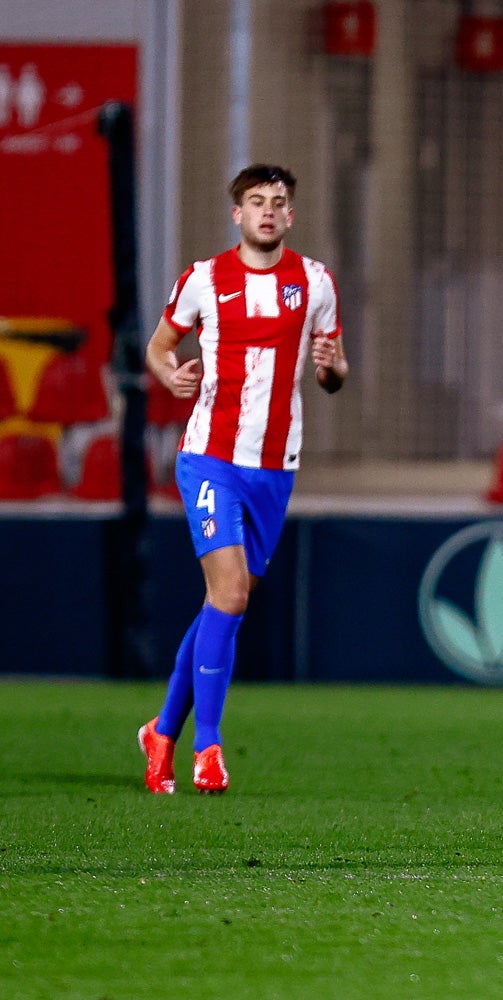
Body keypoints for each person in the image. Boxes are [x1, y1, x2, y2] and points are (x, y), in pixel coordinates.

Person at [137, 164, 348, 795]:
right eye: (256, 202)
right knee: (230, 594)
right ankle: (209, 750)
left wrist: (334, 365)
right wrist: (168, 374)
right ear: (237, 214)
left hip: (274, 470)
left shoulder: (314, 284)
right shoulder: (204, 279)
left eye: (278, 202)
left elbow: (331, 375)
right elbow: (158, 345)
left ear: (290, 215)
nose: (267, 211)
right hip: (209, 459)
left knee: (220, 607)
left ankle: (161, 735)